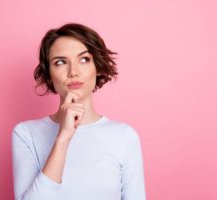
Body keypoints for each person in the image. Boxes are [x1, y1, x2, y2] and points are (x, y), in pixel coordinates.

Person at [11, 23, 146, 200]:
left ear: (97, 66)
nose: (73, 72)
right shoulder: (26, 134)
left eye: (84, 59)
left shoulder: (124, 136)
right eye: (60, 62)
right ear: (49, 74)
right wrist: (63, 137)